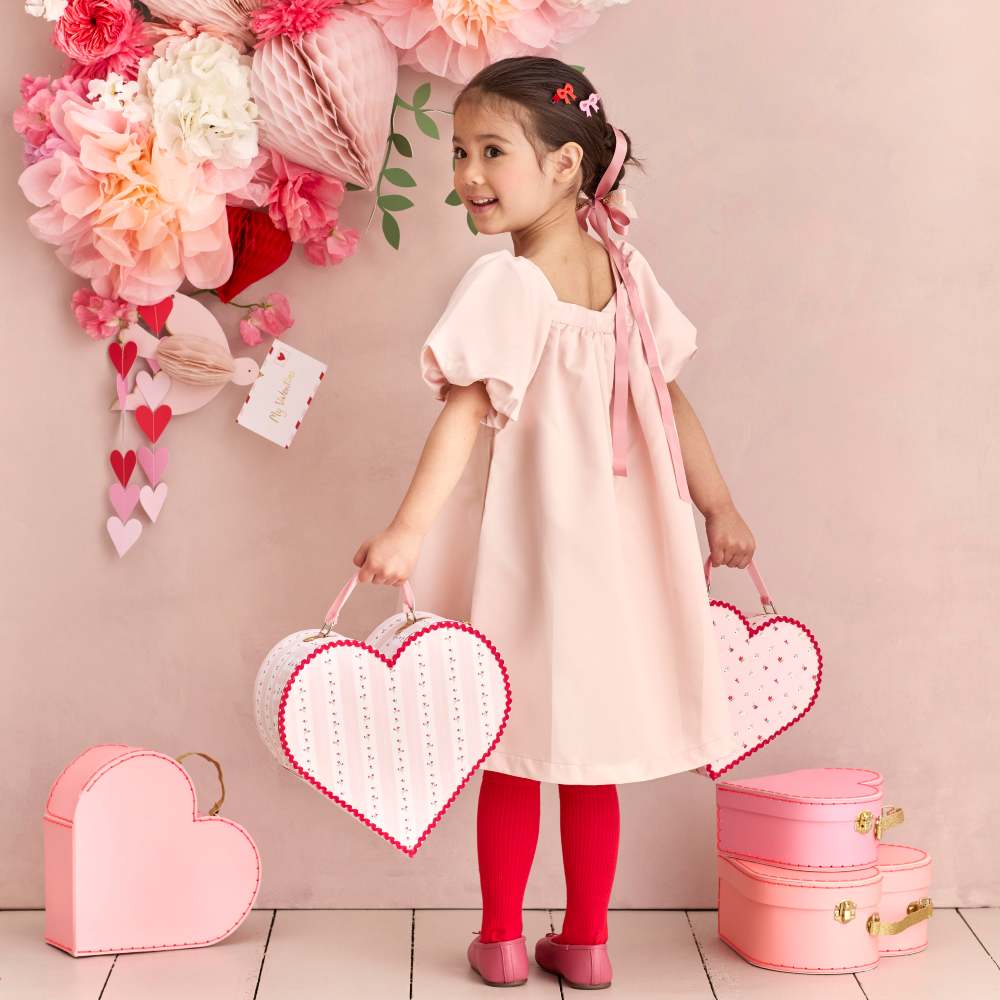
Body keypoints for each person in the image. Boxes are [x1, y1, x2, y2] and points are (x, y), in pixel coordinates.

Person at [351, 56, 755, 990]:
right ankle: (585, 939)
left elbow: (653, 396)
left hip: (540, 552)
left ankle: (502, 938)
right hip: (614, 556)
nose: (466, 176)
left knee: (520, 742)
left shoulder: (530, 284)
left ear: (568, 166)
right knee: (585, 751)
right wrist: (714, 507)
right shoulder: (597, 275)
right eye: (458, 152)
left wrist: (722, 503)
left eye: (492, 151)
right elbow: (486, 406)